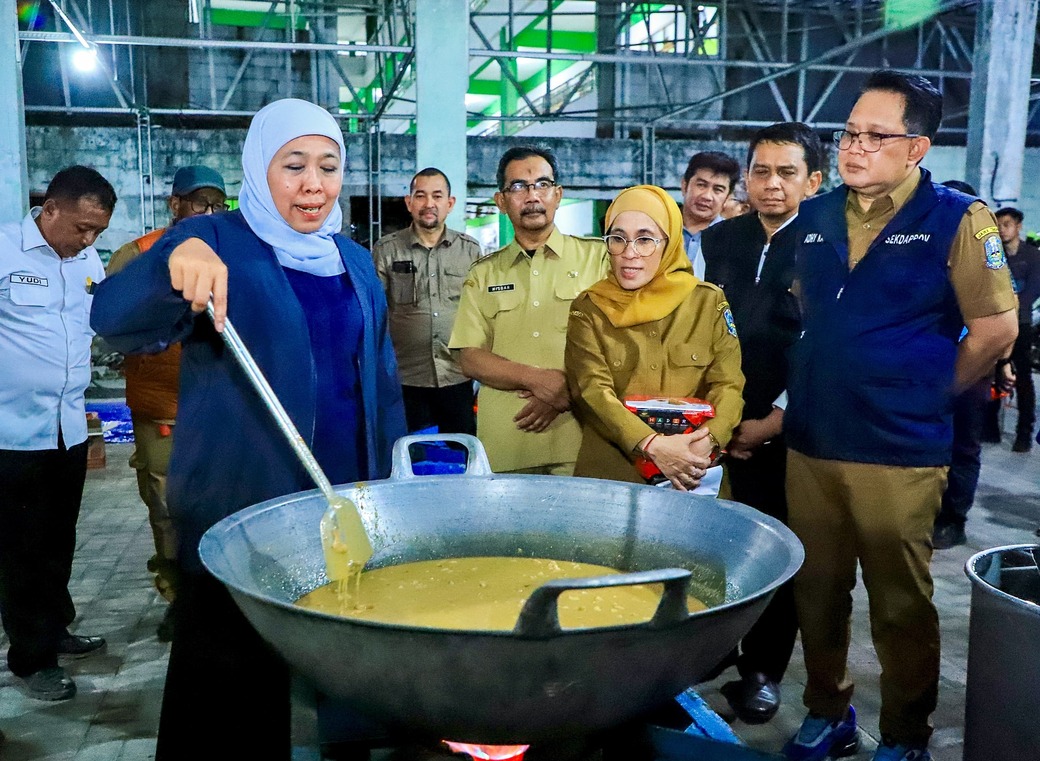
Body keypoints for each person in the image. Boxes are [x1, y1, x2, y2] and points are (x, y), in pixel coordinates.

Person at [90, 98, 406, 760]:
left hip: (341, 501)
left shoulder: (352, 260)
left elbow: (377, 383)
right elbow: (114, 317)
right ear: (259, 168)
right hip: (243, 506)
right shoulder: (220, 242)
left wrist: (391, 487)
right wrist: (179, 255)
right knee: (230, 683)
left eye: (327, 165)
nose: (313, 185)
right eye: (293, 166)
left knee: (349, 666)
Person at [781, 71, 1018, 761]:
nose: (854, 147)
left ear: (915, 147)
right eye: (849, 132)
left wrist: (923, 388)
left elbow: (997, 329)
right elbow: (807, 312)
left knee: (898, 603)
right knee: (817, 591)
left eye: (874, 136)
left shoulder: (957, 218)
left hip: (901, 449)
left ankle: (906, 732)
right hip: (814, 440)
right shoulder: (818, 217)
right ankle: (828, 709)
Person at [701, 122, 823, 724]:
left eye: (786, 172)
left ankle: (763, 671)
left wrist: (773, 421)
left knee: (777, 549)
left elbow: (826, 345)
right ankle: (713, 648)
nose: (771, 185)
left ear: (814, 180)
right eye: (760, 171)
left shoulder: (831, 245)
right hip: (719, 424)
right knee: (717, 540)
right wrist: (718, 419)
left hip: (789, 427)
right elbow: (708, 328)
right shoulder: (722, 239)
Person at [0, 165, 114, 701]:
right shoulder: (5, 252)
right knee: (21, 549)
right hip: (13, 434)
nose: (88, 240)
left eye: (98, 232)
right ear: (51, 210)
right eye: (82, 227)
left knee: (59, 539)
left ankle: (55, 629)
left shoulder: (86, 259)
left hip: (68, 429)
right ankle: (31, 660)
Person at [105, 164, 228, 640]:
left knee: (223, 500)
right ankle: (178, 597)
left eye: (219, 204)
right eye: (201, 202)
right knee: (166, 504)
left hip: (221, 404)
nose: (210, 212)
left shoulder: (232, 251)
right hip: (164, 405)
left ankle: (220, 591)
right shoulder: (138, 255)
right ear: (175, 203)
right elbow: (115, 324)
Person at [564, 184, 743, 491]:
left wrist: (704, 444)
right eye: (617, 238)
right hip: (613, 478)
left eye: (645, 239)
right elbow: (591, 391)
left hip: (693, 475)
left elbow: (728, 385)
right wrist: (653, 445)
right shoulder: (589, 308)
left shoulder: (707, 303)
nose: (629, 253)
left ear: (669, 242)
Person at [448, 146, 609, 475]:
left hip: (582, 438)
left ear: (558, 194)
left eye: (542, 184)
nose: (532, 196)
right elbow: (469, 357)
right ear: (501, 201)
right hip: (508, 443)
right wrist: (539, 381)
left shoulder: (598, 259)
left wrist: (565, 390)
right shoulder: (484, 274)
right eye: (518, 187)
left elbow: (616, 341)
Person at [931, 180, 1015, 550]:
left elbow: (1004, 320)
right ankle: (929, 512)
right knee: (930, 443)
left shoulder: (987, 256)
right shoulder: (930, 252)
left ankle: (954, 519)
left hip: (972, 368)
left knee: (963, 446)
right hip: (929, 366)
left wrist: (1002, 362)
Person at [373, 167, 481, 435]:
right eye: (420, 196)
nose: (429, 204)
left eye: (437, 196)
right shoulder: (386, 250)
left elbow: (480, 313)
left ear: (450, 203)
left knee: (461, 458)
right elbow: (376, 314)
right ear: (409, 203)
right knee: (410, 460)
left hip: (458, 376)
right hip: (406, 380)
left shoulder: (470, 250)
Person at [981, 207, 1040, 451]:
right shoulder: (993, 255)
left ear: (1018, 226)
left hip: (1022, 325)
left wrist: (1013, 311)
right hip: (996, 323)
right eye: (998, 224)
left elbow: (1032, 292)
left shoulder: (1033, 256)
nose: (1002, 229)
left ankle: (1024, 432)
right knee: (992, 375)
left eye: (1006, 224)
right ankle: (990, 427)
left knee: (1023, 378)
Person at [680, 151, 741, 278]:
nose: (707, 196)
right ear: (684, 185)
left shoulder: (735, 241)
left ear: (728, 197)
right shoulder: (660, 229)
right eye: (701, 185)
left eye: (718, 190)